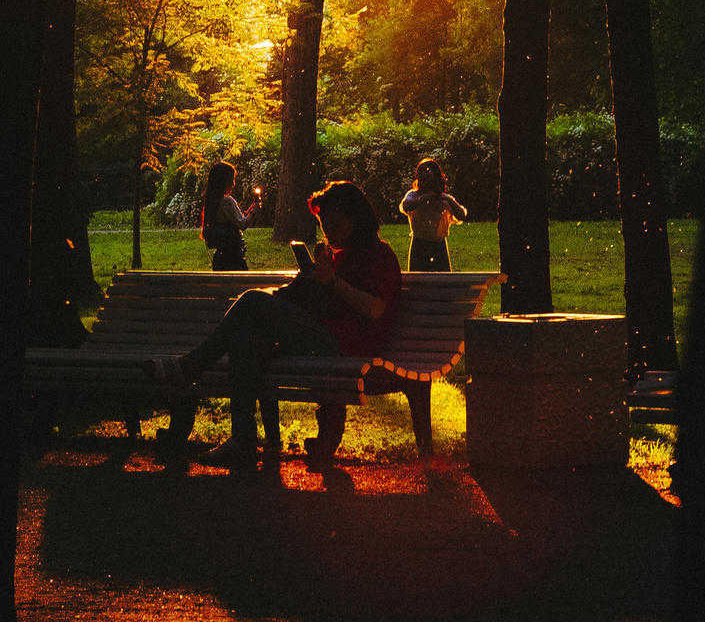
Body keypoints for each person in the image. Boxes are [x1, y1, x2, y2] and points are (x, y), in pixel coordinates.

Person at [150, 180, 403, 469]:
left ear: (354, 218)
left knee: (251, 301)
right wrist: (307, 282)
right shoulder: (338, 257)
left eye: (333, 222)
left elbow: (375, 309)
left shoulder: (379, 255)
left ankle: (191, 366)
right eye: (323, 224)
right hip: (319, 335)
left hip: (346, 342)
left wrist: (332, 281)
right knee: (244, 342)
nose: (327, 231)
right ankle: (243, 437)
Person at [398, 158, 469, 272]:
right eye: (419, 172)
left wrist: (448, 199)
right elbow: (406, 206)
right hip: (419, 245)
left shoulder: (444, 199)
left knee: (442, 281)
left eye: (426, 171)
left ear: (436, 175)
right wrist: (427, 197)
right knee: (418, 281)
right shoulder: (413, 195)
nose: (422, 174)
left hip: (439, 246)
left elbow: (461, 215)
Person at [199, 161, 261, 271]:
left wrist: (247, 212)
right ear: (224, 181)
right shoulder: (227, 201)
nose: (233, 184)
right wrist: (253, 212)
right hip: (233, 257)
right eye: (232, 180)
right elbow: (242, 224)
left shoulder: (214, 201)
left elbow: (232, 219)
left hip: (220, 258)